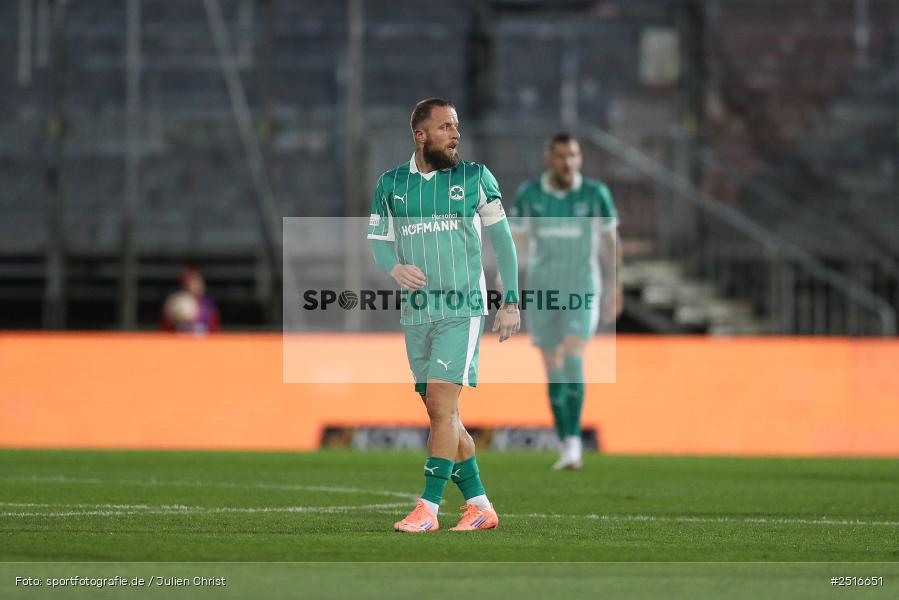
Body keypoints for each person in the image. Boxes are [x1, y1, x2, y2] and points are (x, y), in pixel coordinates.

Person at [368, 98, 520, 532]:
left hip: (461, 309)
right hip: (417, 313)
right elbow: (379, 239)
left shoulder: (474, 178)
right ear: (420, 135)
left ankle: (428, 510)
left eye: (457, 127)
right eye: (446, 127)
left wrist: (509, 302)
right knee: (444, 415)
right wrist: (393, 267)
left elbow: (504, 242)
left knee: (440, 406)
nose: (456, 135)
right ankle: (480, 506)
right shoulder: (390, 184)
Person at [507, 133, 622, 470]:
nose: (567, 162)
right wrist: (508, 279)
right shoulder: (530, 194)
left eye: (573, 156)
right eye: (560, 156)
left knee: (573, 352)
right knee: (552, 364)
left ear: (579, 158)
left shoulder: (595, 194)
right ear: (549, 159)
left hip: (582, 287)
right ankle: (566, 441)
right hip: (543, 288)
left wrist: (616, 286)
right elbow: (514, 240)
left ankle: (573, 443)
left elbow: (610, 243)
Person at [161, 267, 220, 334]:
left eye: (198, 281)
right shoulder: (175, 303)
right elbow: (166, 331)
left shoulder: (208, 306)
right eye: (192, 282)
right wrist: (178, 321)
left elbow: (214, 331)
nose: (196, 285)